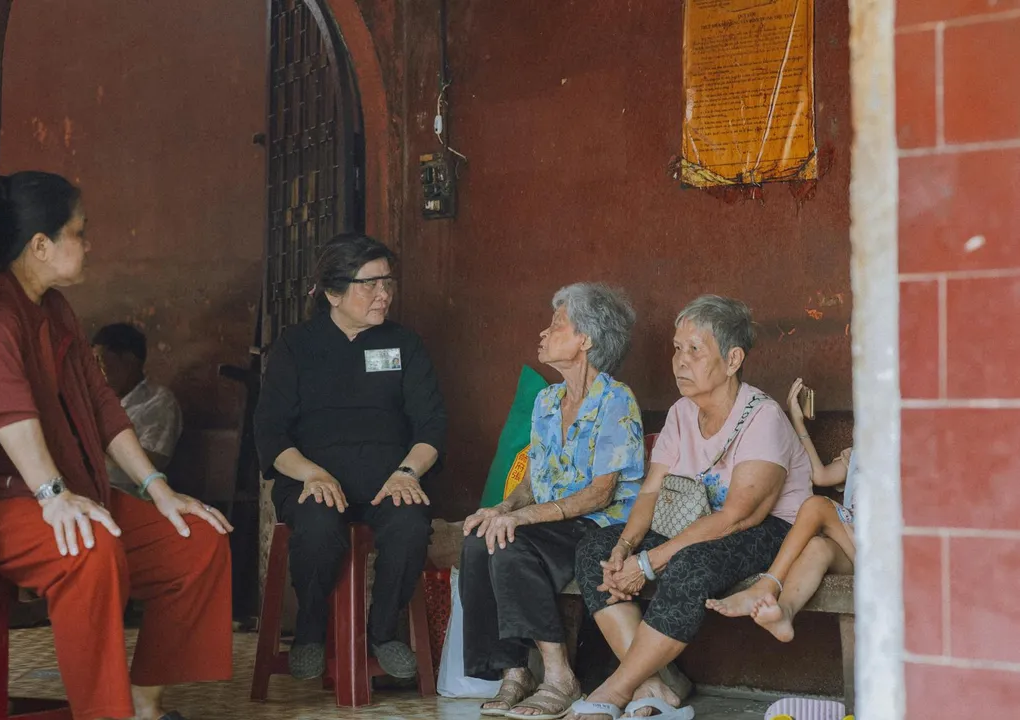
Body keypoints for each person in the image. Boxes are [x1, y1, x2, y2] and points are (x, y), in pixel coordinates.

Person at [0, 171, 234, 720]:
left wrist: (158, 488)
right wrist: (52, 494)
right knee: (90, 551)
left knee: (197, 538)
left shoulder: (55, 307)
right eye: (80, 232)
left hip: (82, 496)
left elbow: (103, 406)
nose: (89, 244)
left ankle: (145, 705)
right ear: (41, 245)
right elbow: (6, 407)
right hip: (8, 505)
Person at [569, 295, 813, 720]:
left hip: (772, 532)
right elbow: (650, 492)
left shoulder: (763, 417)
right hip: (695, 525)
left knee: (688, 565)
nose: (680, 361)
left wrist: (648, 564)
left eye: (695, 350)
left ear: (733, 359)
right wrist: (626, 548)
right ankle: (654, 682)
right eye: (677, 348)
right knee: (596, 551)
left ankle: (616, 689)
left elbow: (740, 515)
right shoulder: (682, 413)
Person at [253, 233, 447, 681]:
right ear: (332, 293)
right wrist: (312, 474)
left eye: (388, 282)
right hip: (312, 478)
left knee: (410, 522)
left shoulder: (404, 345)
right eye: (370, 284)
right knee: (318, 525)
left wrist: (406, 473)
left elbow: (432, 426)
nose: (384, 294)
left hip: (388, 478)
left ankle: (382, 631)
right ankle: (311, 629)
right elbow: (270, 431)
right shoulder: (296, 346)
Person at [460, 283, 644, 720]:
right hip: (554, 522)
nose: (543, 333)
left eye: (556, 324)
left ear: (587, 339)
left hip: (602, 525)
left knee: (512, 545)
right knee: (479, 538)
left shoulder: (616, 400)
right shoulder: (547, 400)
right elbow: (535, 480)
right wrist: (504, 510)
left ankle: (560, 677)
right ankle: (514, 670)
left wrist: (523, 519)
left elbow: (602, 492)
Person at [706, 378, 856, 642]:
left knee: (815, 505)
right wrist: (797, 421)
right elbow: (819, 475)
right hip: (852, 547)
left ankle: (766, 585)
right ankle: (785, 613)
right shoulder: (856, 456)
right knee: (818, 548)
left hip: (883, 553)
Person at [92, 323, 183, 497]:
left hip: (129, 497)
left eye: (101, 360)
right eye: (93, 361)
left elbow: (152, 463)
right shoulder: (96, 399)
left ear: (129, 361)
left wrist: (91, 446)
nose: (96, 370)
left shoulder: (159, 402)